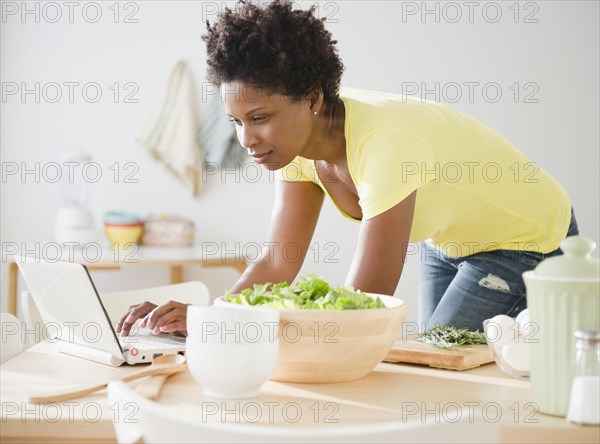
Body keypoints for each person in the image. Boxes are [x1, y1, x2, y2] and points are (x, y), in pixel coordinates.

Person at [117, 0, 578, 337]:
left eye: (260, 118)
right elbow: (279, 260)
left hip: (525, 238)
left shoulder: (384, 144)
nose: (246, 139)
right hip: (448, 241)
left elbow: (363, 304)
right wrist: (211, 318)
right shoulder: (294, 150)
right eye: (236, 122)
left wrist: (232, 331)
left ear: (313, 98)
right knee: (433, 362)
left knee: (439, 363)